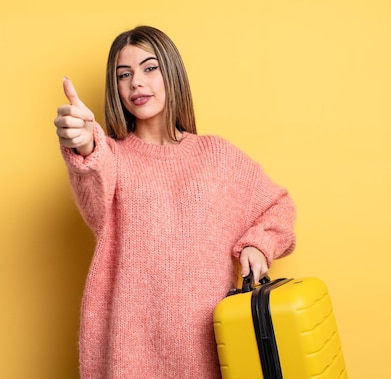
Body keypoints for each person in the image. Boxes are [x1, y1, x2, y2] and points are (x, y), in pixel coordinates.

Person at [53, 25, 296, 379]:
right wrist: (83, 144)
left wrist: (259, 245)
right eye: (124, 75)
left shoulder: (217, 156)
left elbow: (279, 206)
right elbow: (93, 185)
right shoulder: (112, 159)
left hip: (212, 350)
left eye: (150, 68)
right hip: (129, 351)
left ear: (172, 73)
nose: (136, 82)